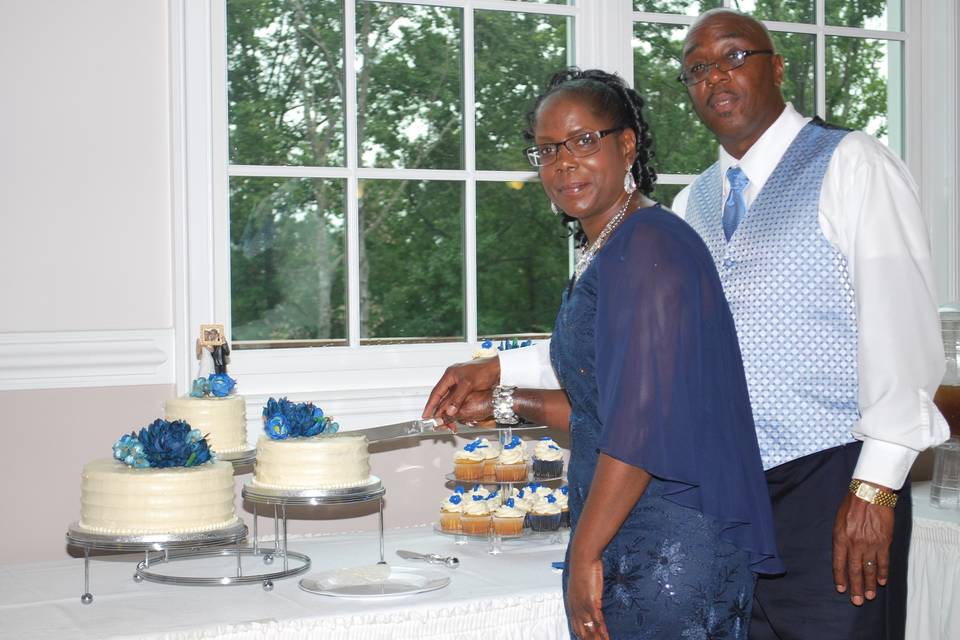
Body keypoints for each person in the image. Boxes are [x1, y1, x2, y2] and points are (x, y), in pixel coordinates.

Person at [424, 10, 950, 640]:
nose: (715, 76)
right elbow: (643, 351)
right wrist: (500, 370)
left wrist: (878, 486)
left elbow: (904, 333)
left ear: (776, 66)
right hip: (724, 499)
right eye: (696, 69)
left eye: (734, 56)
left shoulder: (853, 164)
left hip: (831, 484)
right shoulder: (690, 202)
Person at [438, 68, 783, 639]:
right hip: (628, 521)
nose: (563, 162)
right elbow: (603, 410)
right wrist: (503, 403)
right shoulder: (610, 245)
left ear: (627, 145)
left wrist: (581, 558)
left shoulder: (648, 244)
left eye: (583, 140)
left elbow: (639, 432)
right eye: (547, 150)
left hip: (666, 541)